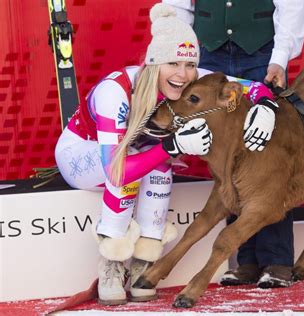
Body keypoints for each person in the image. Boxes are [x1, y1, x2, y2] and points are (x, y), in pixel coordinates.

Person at [55, 3, 281, 306]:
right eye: (173, 64)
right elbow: (116, 172)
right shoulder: (117, 91)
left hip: (137, 158)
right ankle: (111, 262)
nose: (183, 74)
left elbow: (252, 89)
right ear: (154, 63)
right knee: (142, 154)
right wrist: (171, 147)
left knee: (160, 165)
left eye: (190, 65)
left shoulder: (192, 78)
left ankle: (144, 262)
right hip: (80, 155)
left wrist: (267, 107)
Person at [164, 0, 304, 288]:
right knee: (226, 157)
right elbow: (176, 5)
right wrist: (183, 54)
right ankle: (247, 261)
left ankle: (277, 260)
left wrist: (279, 58)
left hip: (262, 55)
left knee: (269, 155)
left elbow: (292, 5)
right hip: (209, 55)